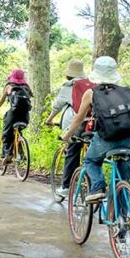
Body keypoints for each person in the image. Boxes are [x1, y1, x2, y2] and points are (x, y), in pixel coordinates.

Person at [60, 55, 130, 204]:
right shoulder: (127, 91)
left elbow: (78, 119)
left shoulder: (91, 93)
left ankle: (97, 188)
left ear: (95, 73)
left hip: (107, 138)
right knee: (122, 182)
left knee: (90, 161)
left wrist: (66, 135)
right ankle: (122, 220)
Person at [45, 60, 90, 199]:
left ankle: (66, 187)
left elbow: (57, 106)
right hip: (92, 123)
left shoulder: (68, 86)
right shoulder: (92, 85)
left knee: (72, 151)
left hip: (74, 123)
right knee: (91, 155)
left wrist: (49, 119)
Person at [0, 69, 32, 163]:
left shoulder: (9, 86)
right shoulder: (27, 87)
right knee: (18, 131)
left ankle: (8, 154)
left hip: (14, 114)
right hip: (25, 116)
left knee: (6, 133)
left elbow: (1, 101)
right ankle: (21, 153)